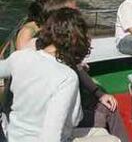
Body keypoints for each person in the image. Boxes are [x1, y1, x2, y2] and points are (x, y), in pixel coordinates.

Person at [0, 8, 110, 141]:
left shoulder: (20, 57)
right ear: (76, 39)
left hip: (13, 136)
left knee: (100, 132)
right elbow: (56, 131)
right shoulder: (67, 77)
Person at [41, 0, 129, 142]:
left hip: (68, 116)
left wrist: (99, 94)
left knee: (108, 106)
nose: (79, 15)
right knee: (105, 113)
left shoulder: (55, 49)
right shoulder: (53, 60)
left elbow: (77, 70)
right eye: (75, 12)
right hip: (62, 124)